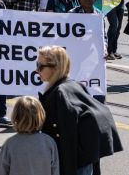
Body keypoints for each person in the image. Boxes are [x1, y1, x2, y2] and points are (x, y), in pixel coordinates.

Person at [37, 45, 123, 175]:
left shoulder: (60, 93)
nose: (37, 70)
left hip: (74, 162)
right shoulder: (74, 85)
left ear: (55, 67)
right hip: (84, 158)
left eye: (40, 66)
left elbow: (67, 137)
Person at [0, 96, 60, 175]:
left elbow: (2, 171)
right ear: (40, 116)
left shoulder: (9, 144)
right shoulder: (49, 142)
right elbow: (55, 171)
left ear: (16, 116)